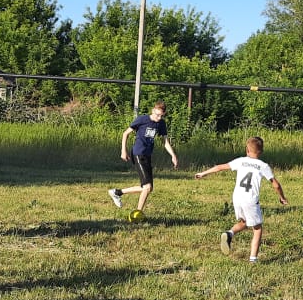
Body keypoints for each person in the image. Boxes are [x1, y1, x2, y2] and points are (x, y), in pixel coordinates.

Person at [195, 135, 287, 263]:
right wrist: (282, 197)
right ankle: (253, 260)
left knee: (244, 222)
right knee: (257, 228)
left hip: (237, 197)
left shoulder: (241, 161)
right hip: (250, 199)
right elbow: (276, 184)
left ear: (247, 150)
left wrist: (203, 173)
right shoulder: (263, 165)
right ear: (261, 151)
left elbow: (220, 167)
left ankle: (229, 234)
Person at [108, 101, 179, 214]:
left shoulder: (161, 124)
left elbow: (165, 141)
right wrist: (123, 151)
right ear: (153, 111)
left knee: (147, 188)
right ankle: (137, 213)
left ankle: (117, 192)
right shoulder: (142, 120)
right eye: (157, 115)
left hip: (147, 155)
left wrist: (173, 155)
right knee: (147, 187)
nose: (158, 118)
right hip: (138, 153)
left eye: (161, 115)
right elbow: (125, 133)